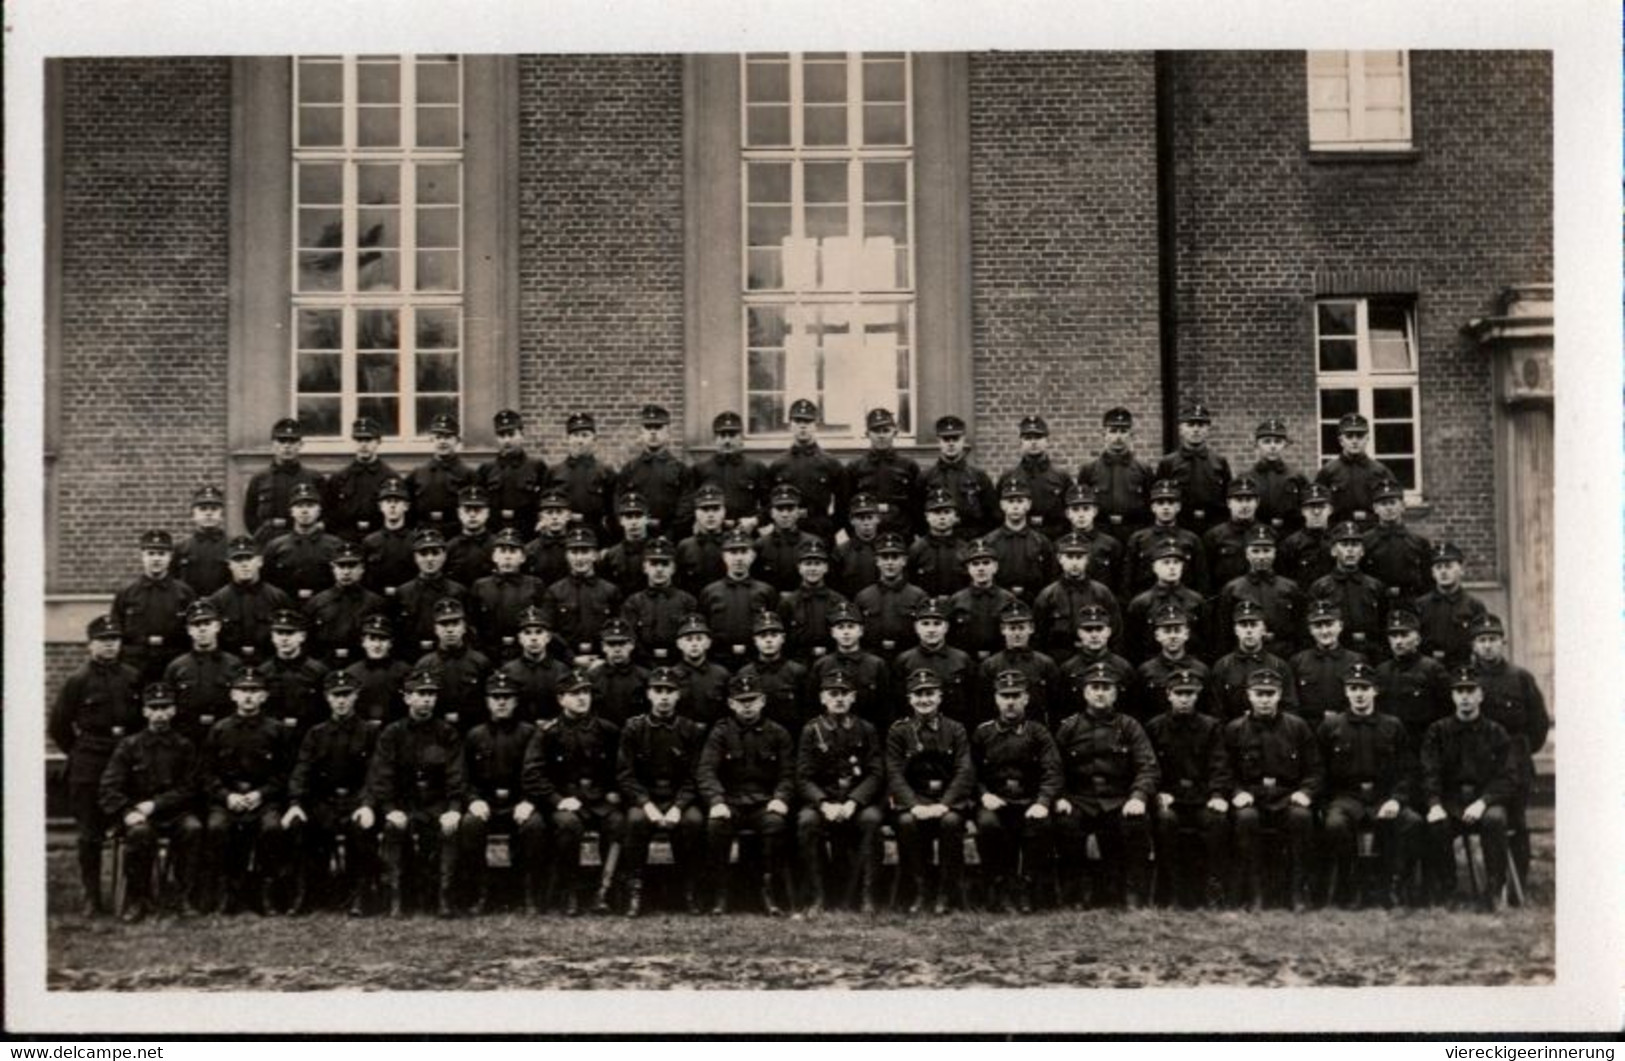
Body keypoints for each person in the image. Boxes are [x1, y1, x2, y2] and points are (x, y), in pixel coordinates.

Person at [52, 614, 143, 916]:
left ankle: (131, 896)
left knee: (131, 828)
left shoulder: (132, 676)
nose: (109, 646)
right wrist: (81, 753)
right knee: (90, 834)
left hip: (125, 758)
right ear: (90, 644)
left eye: (114, 640)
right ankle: (92, 896)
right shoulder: (77, 681)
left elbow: (141, 721)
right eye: (103, 641)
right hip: (90, 761)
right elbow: (59, 726)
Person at [1051, 663, 1158, 909]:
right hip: (1080, 799)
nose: (1100, 693)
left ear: (1115, 693)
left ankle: (1131, 894)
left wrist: (1138, 797)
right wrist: (1061, 797)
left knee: (1134, 823)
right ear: (1085, 693)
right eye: (1094, 688)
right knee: (1066, 824)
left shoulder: (1130, 726)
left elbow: (1147, 766)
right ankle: (1074, 895)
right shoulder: (1069, 727)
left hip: (1118, 799)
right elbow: (1054, 768)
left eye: (1106, 688)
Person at [1317, 662, 1420, 909]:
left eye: (1364, 688)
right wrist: (1326, 804)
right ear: (1346, 691)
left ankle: (1393, 885)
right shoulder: (1332, 727)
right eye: (1353, 688)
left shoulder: (1392, 726)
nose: (1359, 694)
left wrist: (1396, 799)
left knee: (1412, 823)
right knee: (1334, 824)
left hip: (1383, 796)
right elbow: (1319, 770)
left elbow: (1408, 771)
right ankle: (1349, 884)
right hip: (1347, 797)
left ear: (1375, 690)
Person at [365, 669, 467, 918]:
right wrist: (390, 809)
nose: (426, 699)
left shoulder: (446, 733)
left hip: (436, 803)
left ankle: (444, 896)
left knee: (450, 827)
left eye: (431, 694)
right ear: (407, 698)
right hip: (404, 802)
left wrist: (453, 809)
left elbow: (456, 774)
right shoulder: (392, 733)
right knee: (394, 827)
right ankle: (396, 897)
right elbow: (383, 775)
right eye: (420, 694)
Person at [98, 682, 204, 921]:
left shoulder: (184, 746)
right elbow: (109, 787)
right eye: (153, 708)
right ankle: (138, 899)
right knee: (139, 834)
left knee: (193, 828)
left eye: (165, 707)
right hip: (139, 814)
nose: (159, 713)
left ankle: (183, 897)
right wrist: (127, 812)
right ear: (145, 712)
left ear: (173, 711)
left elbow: (190, 788)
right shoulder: (129, 745)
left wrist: (156, 804)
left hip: (174, 813)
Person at [282, 670, 381, 916]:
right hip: (324, 802)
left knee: (361, 829)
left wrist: (368, 803)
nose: (341, 701)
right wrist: (295, 802)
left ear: (356, 696)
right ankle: (305, 894)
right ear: (327, 698)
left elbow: (376, 774)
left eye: (346, 695)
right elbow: (302, 770)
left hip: (357, 801)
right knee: (302, 825)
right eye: (336, 695)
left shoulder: (370, 732)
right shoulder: (316, 734)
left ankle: (359, 896)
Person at [697, 671, 796, 915]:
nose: (748, 705)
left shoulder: (778, 733)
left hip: (764, 803)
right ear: (731, 703)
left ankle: (769, 892)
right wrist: (717, 800)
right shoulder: (720, 733)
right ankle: (720, 894)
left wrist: (781, 798)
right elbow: (706, 771)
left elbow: (788, 773)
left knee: (775, 824)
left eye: (752, 699)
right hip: (730, 801)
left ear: (763, 701)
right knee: (716, 825)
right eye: (742, 701)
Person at [1224, 667, 1322, 911]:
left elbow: (1315, 770)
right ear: (1249, 695)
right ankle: (1255, 893)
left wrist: (1305, 792)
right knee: (1246, 819)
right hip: (1252, 797)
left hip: (1287, 796)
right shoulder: (1235, 729)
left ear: (1279, 695)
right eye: (1259, 694)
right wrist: (1237, 793)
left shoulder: (1297, 727)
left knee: (1301, 818)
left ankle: (1296, 892)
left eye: (1270, 693)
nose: (1265, 699)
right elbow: (1225, 771)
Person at [1467, 614, 1550, 896]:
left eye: (1492, 640)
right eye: (1481, 640)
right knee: (1492, 819)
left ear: (1503, 642)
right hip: (1477, 765)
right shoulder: (1466, 680)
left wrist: (1520, 753)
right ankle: (1495, 880)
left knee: (1516, 822)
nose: (1487, 646)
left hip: (1516, 763)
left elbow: (1538, 725)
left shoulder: (1520, 678)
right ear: (1474, 645)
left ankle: (1518, 884)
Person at [616, 667, 708, 916]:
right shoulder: (633, 729)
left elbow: (695, 775)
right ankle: (635, 891)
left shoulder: (691, 730)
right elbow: (626, 774)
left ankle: (689, 891)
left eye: (670, 691)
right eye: (658, 691)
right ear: (649, 694)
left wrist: (679, 807)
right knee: (635, 821)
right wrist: (646, 804)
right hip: (645, 798)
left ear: (678, 696)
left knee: (693, 821)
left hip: (679, 798)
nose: (664, 697)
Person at [1421, 668, 1514, 911]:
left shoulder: (1496, 732)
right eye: (1459, 691)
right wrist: (1434, 804)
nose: (1465, 697)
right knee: (1436, 823)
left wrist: (1484, 801)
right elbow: (1429, 772)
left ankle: (1494, 888)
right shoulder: (1438, 732)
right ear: (1452, 697)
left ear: (1481, 695)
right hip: (1451, 802)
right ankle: (1446, 888)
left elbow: (1507, 776)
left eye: (1470, 691)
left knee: (1495, 820)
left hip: (1485, 801)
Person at [886, 668, 977, 915]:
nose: (924, 699)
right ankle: (920, 889)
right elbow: (894, 774)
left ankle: (945, 893)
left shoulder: (955, 729)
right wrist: (913, 804)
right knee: (906, 822)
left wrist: (944, 804)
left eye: (930, 693)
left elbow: (964, 771)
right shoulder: (899, 732)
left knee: (950, 823)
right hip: (914, 800)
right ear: (909, 699)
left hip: (947, 801)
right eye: (918, 694)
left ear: (939, 697)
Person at [201, 670, 292, 915]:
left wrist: (260, 794)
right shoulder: (219, 730)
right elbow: (207, 775)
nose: (248, 697)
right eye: (243, 691)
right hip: (227, 800)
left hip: (264, 800)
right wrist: (226, 796)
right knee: (217, 828)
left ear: (264, 696)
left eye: (254, 692)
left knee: (272, 828)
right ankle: (227, 891)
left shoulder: (277, 730)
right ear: (233, 695)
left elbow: (285, 774)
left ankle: (266, 892)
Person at [971, 670, 1063, 913]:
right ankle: (997, 886)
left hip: (1028, 801)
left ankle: (1028, 888)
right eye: (1005, 696)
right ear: (996, 699)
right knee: (988, 825)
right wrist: (983, 795)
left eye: (1016, 695)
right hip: (995, 801)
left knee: (1039, 826)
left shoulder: (1039, 732)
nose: (1010, 702)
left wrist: (1042, 802)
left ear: (1026, 698)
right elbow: (970, 773)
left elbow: (1052, 771)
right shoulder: (983, 733)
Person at [794, 670, 886, 915]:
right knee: (806, 822)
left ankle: (867, 896)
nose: (839, 699)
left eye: (844, 694)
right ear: (822, 698)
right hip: (824, 802)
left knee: (872, 820)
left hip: (855, 802)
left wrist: (854, 802)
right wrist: (823, 803)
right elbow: (803, 777)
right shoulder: (811, 730)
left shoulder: (866, 729)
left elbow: (876, 773)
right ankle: (817, 897)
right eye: (832, 694)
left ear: (853, 697)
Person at [1145, 668, 1231, 909]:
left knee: (1217, 821)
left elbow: (1219, 764)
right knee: (1165, 821)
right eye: (1179, 693)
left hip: (1201, 798)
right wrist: (1158, 792)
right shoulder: (1155, 727)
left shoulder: (1211, 726)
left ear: (1197, 695)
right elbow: (1148, 766)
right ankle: (1170, 891)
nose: (1184, 698)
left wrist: (1216, 795)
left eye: (1190, 693)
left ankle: (1213, 890)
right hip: (1169, 798)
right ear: (1168, 695)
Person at [457, 671, 542, 914]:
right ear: (487, 701)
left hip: (519, 802)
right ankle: (482, 893)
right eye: (496, 697)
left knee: (534, 827)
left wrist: (528, 801)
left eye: (507, 697)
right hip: (487, 803)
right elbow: (464, 777)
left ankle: (527, 894)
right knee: (470, 825)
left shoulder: (529, 733)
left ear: (516, 701)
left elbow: (536, 773)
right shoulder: (475, 735)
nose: (501, 702)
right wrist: (473, 800)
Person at [113, 529, 197, 684]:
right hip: (136, 667)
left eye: (161, 554)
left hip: (173, 665)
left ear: (170, 557)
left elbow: (193, 635)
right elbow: (117, 634)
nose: (156, 559)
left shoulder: (184, 593)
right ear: (142, 556)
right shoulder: (127, 593)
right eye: (151, 553)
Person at [1214, 525, 1307, 657]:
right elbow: (1224, 634)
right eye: (1256, 551)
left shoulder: (1289, 588)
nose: (1262, 556)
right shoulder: (1233, 589)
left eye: (1266, 550)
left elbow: (1301, 630)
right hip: (1245, 656)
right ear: (1247, 554)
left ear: (1275, 553)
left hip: (1284, 655)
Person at [1033, 530, 1123, 666]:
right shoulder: (1048, 595)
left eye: (1079, 557)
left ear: (1087, 559)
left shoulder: (1102, 593)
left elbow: (1116, 633)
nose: (1074, 562)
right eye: (1069, 556)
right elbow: (1039, 637)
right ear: (1060, 559)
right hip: (1059, 660)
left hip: (1097, 661)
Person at [767, 398, 848, 543]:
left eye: (808, 422)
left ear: (816, 426)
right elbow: (768, 503)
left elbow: (843, 506)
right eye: (798, 422)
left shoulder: (831, 464)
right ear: (790, 426)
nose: (802, 426)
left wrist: (828, 527)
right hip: (787, 534)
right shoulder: (778, 465)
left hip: (820, 533)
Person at [164, 600, 244, 745]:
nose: (202, 629)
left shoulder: (234, 665)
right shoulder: (176, 667)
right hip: (187, 738)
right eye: (196, 625)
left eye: (207, 623)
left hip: (226, 737)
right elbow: (169, 707)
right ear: (189, 630)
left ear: (217, 626)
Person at [207, 535, 295, 664]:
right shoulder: (217, 601)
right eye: (238, 560)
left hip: (269, 665)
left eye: (249, 558)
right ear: (229, 564)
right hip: (229, 666)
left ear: (260, 561)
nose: (244, 564)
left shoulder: (278, 598)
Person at [541, 526, 622, 665]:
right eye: (574, 552)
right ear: (566, 555)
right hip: (565, 663)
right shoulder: (554, 591)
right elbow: (548, 631)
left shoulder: (610, 591)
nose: (579, 558)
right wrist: (571, 658)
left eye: (585, 551)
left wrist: (605, 658)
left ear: (595, 555)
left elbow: (618, 630)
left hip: (603, 663)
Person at [979, 601, 1066, 731]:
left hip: (1037, 732)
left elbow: (1055, 705)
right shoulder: (991, 666)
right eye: (1012, 628)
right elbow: (983, 708)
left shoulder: (1045, 664)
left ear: (1031, 628)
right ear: (1003, 630)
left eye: (1021, 628)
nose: (1017, 633)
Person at [698, 528, 779, 664]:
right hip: (718, 659)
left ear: (753, 556)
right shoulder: (710, 592)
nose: (739, 558)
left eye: (743, 552)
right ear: (724, 556)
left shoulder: (766, 591)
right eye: (733, 552)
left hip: (755, 660)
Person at [807, 601, 893, 730]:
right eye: (840, 627)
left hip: (868, 733)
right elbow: (812, 706)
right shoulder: (822, 665)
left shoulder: (876, 664)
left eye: (851, 626)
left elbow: (885, 707)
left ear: (861, 631)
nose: (846, 632)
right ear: (832, 632)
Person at [894, 597, 978, 727]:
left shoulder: (962, 660)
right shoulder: (905, 661)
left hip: (955, 731)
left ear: (946, 627)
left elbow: (972, 702)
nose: (931, 629)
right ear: (916, 627)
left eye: (937, 623)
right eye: (925, 623)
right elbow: (898, 703)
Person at [412, 598, 493, 733]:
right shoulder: (424, 664)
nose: (450, 630)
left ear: (464, 627)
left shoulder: (480, 662)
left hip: (472, 729)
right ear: (435, 629)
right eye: (444, 624)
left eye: (455, 623)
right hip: (434, 732)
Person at [1208, 600, 1298, 722]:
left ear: (1263, 629)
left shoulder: (1279, 666)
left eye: (1254, 625)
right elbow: (1217, 711)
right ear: (1236, 630)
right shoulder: (1223, 666)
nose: (1249, 630)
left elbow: (1289, 708)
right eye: (1243, 625)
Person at [1075, 405, 1154, 543]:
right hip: (1100, 534)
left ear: (1131, 435)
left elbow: (1151, 508)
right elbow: (1080, 505)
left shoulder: (1143, 469)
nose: (1118, 437)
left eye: (1123, 431)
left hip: (1134, 533)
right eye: (1113, 431)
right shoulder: (1089, 470)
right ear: (1104, 434)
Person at [1310, 521, 1387, 658]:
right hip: (1336, 652)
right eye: (1344, 545)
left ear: (1362, 551)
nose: (1350, 550)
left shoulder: (1374, 586)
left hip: (1370, 651)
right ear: (1333, 551)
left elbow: (1383, 622)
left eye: (1355, 545)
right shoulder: (1321, 587)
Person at [467, 528, 545, 661]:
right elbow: (473, 624)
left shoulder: (534, 585)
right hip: (488, 653)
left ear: (523, 557)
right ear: (494, 556)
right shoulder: (480, 586)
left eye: (513, 551)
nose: (507, 556)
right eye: (502, 551)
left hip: (524, 653)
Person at [303, 541, 386, 666]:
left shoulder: (376, 603)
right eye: (341, 566)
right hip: (325, 664)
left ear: (362, 569)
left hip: (363, 665)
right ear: (333, 568)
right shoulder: (317, 602)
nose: (346, 572)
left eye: (352, 566)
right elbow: (307, 640)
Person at [686, 410, 770, 532]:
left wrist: (755, 520)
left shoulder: (756, 468)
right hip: (712, 535)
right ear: (715, 439)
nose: (727, 441)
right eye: (722, 435)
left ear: (741, 438)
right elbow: (689, 506)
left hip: (745, 534)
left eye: (732, 435)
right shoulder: (700, 469)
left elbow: (769, 506)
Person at [1124, 541, 1206, 664]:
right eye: (1166, 563)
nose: (1172, 567)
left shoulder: (1196, 601)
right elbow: (1133, 645)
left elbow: (1206, 641)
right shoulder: (1141, 603)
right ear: (1154, 567)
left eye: (1176, 562)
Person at [1156, 400, 1231, 533]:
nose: (1196, 429)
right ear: (1181, 429)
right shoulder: (1168, 463)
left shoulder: (1220, 462)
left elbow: (1228, 498)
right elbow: (1158, 497)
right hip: (1180, 526)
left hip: (1213, 525)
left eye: (1201, 425)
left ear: (1208, 429)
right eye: (1190, 425)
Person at [254, 609, 330, 740]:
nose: (284, 638)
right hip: (272, 738)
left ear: (302, 636)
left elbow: (325, 711)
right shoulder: (263, 672)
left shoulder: (318, 671)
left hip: (308, 736)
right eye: (279, 633)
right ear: (272, 637)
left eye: (290, 633)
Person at [244, 418, 322, 545]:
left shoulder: (314, 478)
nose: (287, 446)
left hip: (305, 543)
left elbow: (326, 515)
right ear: (273, 445)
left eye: (292, 441)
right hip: (269, 543)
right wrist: (263, 535)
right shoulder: (260, 479)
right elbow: (250, 517)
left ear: (300, 445)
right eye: (282, 441)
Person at [262, 482, 345, 602]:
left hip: (326, 607)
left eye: (310, 506)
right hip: (286, 607)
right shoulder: (275, 546)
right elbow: (268, 584)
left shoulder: (335, 545)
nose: (305, 511)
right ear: (291, 511)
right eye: (299, 506)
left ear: (319, 510)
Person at [621, 536, 697, 666]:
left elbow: (692, 637)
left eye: (665, 564)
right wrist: (646, 663)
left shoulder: (687, 601)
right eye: (654, 563)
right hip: (642, 665)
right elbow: (629, 638)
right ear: (645, 567)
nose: (659, 569)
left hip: (679, 665)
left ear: (673, 568)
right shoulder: (634, 602)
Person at [618, 403, 692, 536]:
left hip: (671, 538)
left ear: (668, 432)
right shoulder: (630, 469)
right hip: (638, 536)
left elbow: (686, 507)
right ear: (641, 432)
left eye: (658, 427)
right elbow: (619, 504)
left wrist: (669, 533)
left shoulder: (680, 470)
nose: (653, 432)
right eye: (648, 427)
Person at [1124, 480, 1209, 596]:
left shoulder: (1191, 539)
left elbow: (1202, 580)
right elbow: (1128, 579)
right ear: (1153, 507)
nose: (1166, 507)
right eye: (1160, 503)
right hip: (1148, 602)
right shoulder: (1139, 539)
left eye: (1171, 503)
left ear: (1178, 507)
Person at [920, 414, 998, 540]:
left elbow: (993, 516)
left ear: (963, 440)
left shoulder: (978, 476)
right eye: (946, 439)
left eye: (955, 439)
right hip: (937, 542)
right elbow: (917, 514)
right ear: (939, 441)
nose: (951, 444)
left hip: (970, 542)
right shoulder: (926, 477)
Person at [846, 407, 921, 539]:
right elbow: (845, 506)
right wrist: (855, 536)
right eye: (876, 431)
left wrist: (911, 532)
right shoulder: (855, 468)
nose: (881, 435)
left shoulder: (909, 466)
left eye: (886, 430)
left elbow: (917, 506)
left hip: (901, 535)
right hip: (867, 537)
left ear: (895, 432)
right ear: (867, 433)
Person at [1130, 604, 1210, 725]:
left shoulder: (1201, 670)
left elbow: (1208, 710)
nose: (1172, 636)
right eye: (1167, 631)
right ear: (1157, 635)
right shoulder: (1146, 671)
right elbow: (1138, 712)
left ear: (1186, 634)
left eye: (1177, 630)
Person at [1290, 600, 1367, 722]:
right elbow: (1293, 703)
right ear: (1310, 629)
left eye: (1329, 624)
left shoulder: (1356, 660)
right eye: (1318, 626)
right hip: (1309, 727)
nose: (1324, 631)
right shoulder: (1298, 661)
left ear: (1340, 626)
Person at [324, 416, 400, 541]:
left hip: (380, 539)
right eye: (359, 440)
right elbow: (329, 514)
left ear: (378, 442)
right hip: (346, 539)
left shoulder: (390, 478)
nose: (363, 445)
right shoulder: (339, 478)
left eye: (368, 440)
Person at [1414, 542, 1489, 667]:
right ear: (1433, 573)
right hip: (1427, 669)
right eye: (1438, 567)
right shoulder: (1421, 605)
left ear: (1461, 570)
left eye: (1448, 566)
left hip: (1461, 668)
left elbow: (1481, 642)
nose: (1443, 571)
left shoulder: (1474, 605)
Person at [997, 415, 1073, 538]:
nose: (1033, 442)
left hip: (1054, 538)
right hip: (1019, 538)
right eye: (1028, 438)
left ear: (1047, 441)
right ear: (1020, 442)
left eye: (1038, 437)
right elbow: (998, 515)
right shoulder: (1008, 477)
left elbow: (1070, 513)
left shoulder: (1061, 477)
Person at [738, 610, 813, 734]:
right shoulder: (745, 673)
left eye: (774, 635)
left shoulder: (797, 672)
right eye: (763, 636)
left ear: (783, 638)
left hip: (791, 736)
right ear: (755, 640)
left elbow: (807, 711)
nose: (768, 640)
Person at [477, 408, 548, 535]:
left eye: (511, 434)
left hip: (528, 531)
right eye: (502, 435)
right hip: (495, 531)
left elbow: (545, 501)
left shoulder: (536, 466)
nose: (507, 440)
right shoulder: (486, 469)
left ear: (522, 435)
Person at [1315, 413, 1394, 527]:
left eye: (1360, 436)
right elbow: (1318, 506)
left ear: (1367, 438)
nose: (1355, 441)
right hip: (1338, 532)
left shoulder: (1380, 471)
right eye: (1349, 436)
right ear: (1341, 440)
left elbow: (1392, 504)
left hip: (1372, 531)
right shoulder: (1328, 471)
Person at [1360, 478, 1432, 604]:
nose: (1389, 508)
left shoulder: (1419, 543)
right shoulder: (1365, 542)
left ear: (1403, 506)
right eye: (1383, 504)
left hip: (1410, 603)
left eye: (1393, 503)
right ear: (1375, 508)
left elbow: (1428, 582)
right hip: (1377, 605)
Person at [776, 538, 848, 664]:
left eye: (817, 563)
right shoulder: (788, 603)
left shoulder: (838, 601)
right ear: (799, 567)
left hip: (832, 662)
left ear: (826, 567)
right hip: (798, 662)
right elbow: (781, 638)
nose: (813, 568)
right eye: (808, 563)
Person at [853, 533, 927, 655]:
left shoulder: (918, 596)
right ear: (877, 561)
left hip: (908, 656)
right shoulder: (863, 597)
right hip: (873, 656)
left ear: (904, 561)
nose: (890, 562)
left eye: (895, 557)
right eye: (885, 557)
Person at [984, 479, 1059, 601]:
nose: (1015, 506)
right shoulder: (990, 542)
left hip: (1035, 601)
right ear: (1002, 505)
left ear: (1028, 504)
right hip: (998, 602)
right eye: (1010, 501)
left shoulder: (1041, 542)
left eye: (1020, 501)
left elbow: (1051, 577)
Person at [407, 413, 477, 540]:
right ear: (432, 439)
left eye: (448, 437)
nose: (442, 441)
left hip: (455, 534)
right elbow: (409, 510)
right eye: (438, 437)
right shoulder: (418, 473)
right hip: (424, 533)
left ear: (457, 440)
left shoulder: (468, 474)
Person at [947, 538, 1019, 661]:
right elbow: (950, 636)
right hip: (966, 660)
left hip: (1001, 660)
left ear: (995, 567)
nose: (981, 568)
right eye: (975, 564)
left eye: (986, 563)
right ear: (968, 568)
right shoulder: (957, 600)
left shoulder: (1008, 599)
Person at [551, 412, 617, 539]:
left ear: (594, 439)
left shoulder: (605, 472)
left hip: (596, 534)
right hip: (563, 535)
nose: (580, 440)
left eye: (585, 435)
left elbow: (613, 512)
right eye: (575, 435)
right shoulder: (555, 472)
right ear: (567, 439)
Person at [499, 606, 571, 723]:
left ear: (548, 637)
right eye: (527, 633)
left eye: (539, 632)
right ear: (519, 638)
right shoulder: (509, 671)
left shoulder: (561, 670)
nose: (533, 638)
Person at [1058, 484, 1127, 598]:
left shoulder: (1110, 545)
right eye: (1075, 509)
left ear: (1095, 511)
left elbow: (1120, 582)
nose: (1081, 515)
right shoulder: (1059, 545)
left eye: (1086, 508)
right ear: (1067, 513)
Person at [755, 483, 824, 594]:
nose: (785, 514)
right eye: (780, 509)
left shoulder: (812, 542)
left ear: (798, 512)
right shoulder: (761, 544)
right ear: (772, 513)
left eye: (790, 509)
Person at [346, 615, 411, 726]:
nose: (377, 645)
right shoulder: (352, 673)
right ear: (363, 642)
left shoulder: (405, 672)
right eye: (372, 639)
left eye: (383, 639)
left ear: (390, 643)